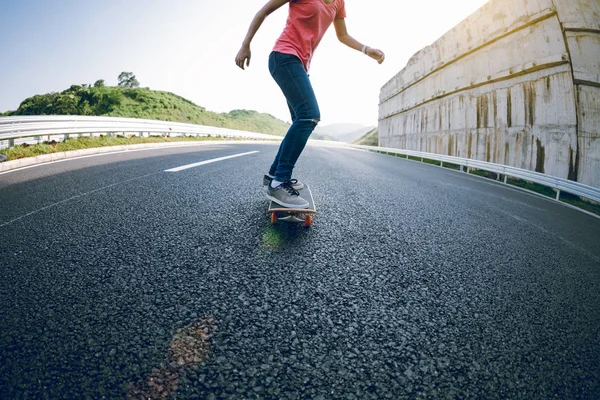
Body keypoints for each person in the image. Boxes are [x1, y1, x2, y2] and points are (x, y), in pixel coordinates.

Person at [235, 0, 385, 208]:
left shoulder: (338, 3)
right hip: (284, 57)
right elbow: (264, 11)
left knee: (301, 118)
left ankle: (273, 176)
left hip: (300, 64)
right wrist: (245, 44)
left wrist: (366, 49)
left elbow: (342, 35)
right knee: (309, 115)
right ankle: (279, 182)